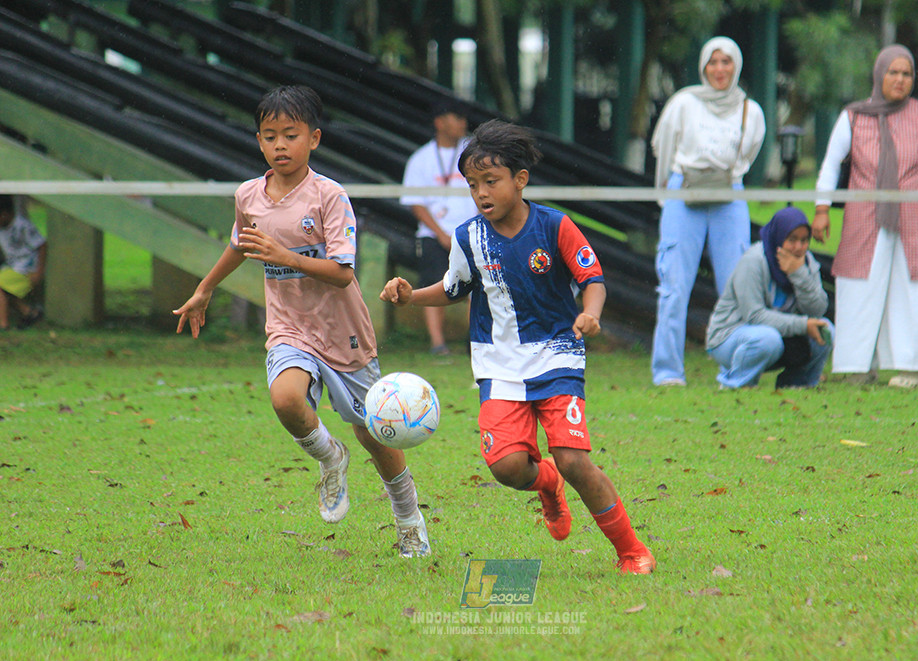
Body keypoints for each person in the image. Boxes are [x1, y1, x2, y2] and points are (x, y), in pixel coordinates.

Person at [380, 120, 655, 575]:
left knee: (573, 460)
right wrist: (412, 295)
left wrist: (591, 313)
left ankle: (631, 550)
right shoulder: (468, 237)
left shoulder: (555, 226)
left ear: (520, 180)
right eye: (473, 185)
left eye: (491, 181)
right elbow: (453, 288)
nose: (481, 193)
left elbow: (593, 279)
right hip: (499, 365)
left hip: (556, 356)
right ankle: (546, 483)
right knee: (508, 468)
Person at [173, 85, 430, 557]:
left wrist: (284, 254)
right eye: (269, 136)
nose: (279, 146)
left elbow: (341, 272)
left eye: (290, 135)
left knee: (372, 432)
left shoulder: (329, 196)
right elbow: (238, 245)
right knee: (286, 398)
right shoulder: (249, 195)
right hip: (290, 327)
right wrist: (204, 288)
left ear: (313, 138)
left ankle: (409, 517)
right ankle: (330, 459)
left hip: (343, 329)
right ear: (258, 141)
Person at [812, 44, 918, 388]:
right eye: (893, 72)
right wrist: (821, 209)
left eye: (906, 74)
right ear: (879, 75)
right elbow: (831, 164)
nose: (900, 80)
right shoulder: (853, 116)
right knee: (858, 284)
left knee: (915, 287)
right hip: (866, 215)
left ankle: (910, 368)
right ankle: (859, 366)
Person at [649, 36, 766, 387]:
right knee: (673, 286)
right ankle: (668, 372)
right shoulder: (684, 103)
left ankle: (737, 366)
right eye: (713, 62)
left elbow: (749, 154)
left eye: (726, 62)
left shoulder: (751, 109)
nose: (719, 69)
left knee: (738, 286)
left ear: (737, 66)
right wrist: (666, 193)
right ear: (703, 66)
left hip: (729, 197)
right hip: (683, 193)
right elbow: (663, 147)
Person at [706, 207, 833, 389]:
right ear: (779, 237)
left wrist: (799, 274)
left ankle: (797, 384)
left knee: (826, 331)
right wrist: (802, 325)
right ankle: (737, 385)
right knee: (767, 339)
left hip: (776, 336)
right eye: (792, 240)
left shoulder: (807, 262)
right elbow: (754, 316)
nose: (799, 247)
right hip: (729, 337)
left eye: (804, 240)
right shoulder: (753, 261)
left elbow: (818, 310)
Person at [399, 100, 479, 356]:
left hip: (471, 232)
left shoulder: (475, 152)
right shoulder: (421, 158)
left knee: (477, 286)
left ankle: (475, 341)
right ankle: (438, 344)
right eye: (456, 117)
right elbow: (415, 203)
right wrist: (441, 234)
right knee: (435, 285)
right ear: (439, 122)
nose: (463, 123)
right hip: (434, 236)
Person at [0, 195, 46, 331]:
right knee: (7, 291)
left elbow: (42, 244)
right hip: (11, 267)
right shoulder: (3, 228)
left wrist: (39, 272)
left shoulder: (22, 225)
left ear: (5, 214)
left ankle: (3, 324)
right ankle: (29, 312)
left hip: (25, 268)